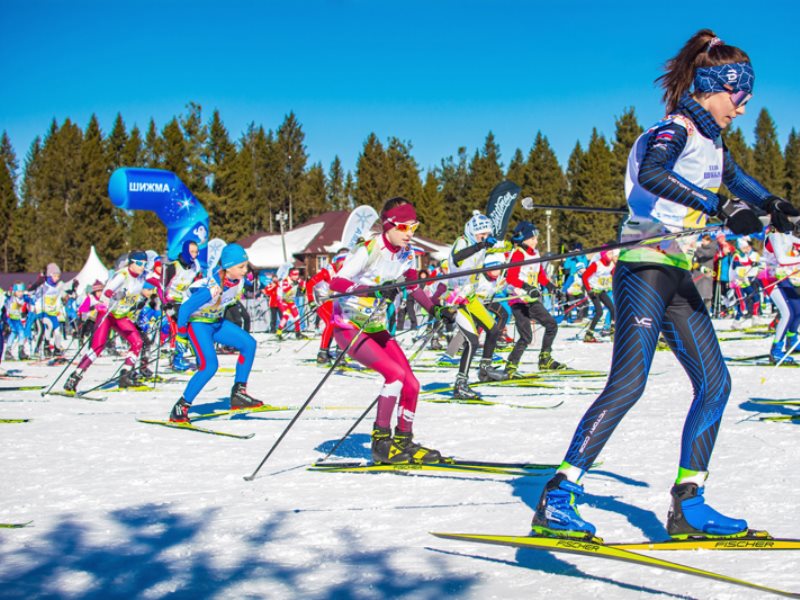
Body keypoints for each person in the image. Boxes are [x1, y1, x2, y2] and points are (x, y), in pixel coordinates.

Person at [532, 30, 798, 542]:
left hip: (677, 268)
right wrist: (720, 207)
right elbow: (654, 174)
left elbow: (737, 181)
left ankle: (688, 505)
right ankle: (558, 495)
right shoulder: (673, 129)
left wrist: (774, 206)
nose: (741, 110)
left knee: (717, 383)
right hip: (644, 265)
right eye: (740, 98)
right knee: (629, 383)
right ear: (717, 87)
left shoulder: (711, 139)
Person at [329, 197, 455, 464]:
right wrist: (370, 290)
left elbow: (412, 286)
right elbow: (336, 281)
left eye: (414, 226)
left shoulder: (407, 253)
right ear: (389, 226)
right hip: (350, 326)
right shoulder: (369, 249)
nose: (410, 233)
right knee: (395, 376)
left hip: (375, 327)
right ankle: (380, 442)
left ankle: (403, 441)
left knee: (412, 384)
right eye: (404, 227)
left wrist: (435, 310)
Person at [169, 244, 263, 422]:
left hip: (216, 322)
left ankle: (238, 394)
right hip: (198, 325)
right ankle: (181, 407)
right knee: (209, 366)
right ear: (228, 267)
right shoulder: (213, 286)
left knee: (249, 344)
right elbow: (185, 308)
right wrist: (181, 335)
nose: (245, 270)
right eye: (241, 267)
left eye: (246, 265)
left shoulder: (237, 281)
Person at [64, 251, 154, 392]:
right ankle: (75, 377)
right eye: (139, 263)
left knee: (138, 342)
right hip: (107, 313)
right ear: (131, 263)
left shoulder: (143, 275)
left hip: (121, 316)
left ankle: (125, 375)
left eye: (144, 263)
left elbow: (159, 279)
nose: (142, 266)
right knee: (97, 347)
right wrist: (114, 294)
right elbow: (108, 290)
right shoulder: (122, 275)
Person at [445, 211, 501, 398]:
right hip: (457, 299)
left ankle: (485, 368)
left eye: (486, 235)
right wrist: (481, 244)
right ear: (471, 232)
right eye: (480, 235)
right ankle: (461, 384)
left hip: (471, 297)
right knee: (472, 341)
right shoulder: (463, 242)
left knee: (494, 329)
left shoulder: (481, 245)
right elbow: (458, 257)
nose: (483, 238)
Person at [503, 221, 566, 375]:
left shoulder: (535, 254)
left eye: (536, 238)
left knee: (551, 325)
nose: (536, 241)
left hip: (531, 300)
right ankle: (511, 366)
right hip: (518, 300)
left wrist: (552, 288)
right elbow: (511, 278)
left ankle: (545, 358)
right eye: (533, 238)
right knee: (526, 336)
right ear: (524, 239)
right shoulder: (518, 253)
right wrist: (527, 288)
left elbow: (540, 277)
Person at [761, 228, 800, 363]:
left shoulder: (786, 234)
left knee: (798, 308)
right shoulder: (774, 235)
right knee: (787, 313)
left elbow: (797, 242)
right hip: (768, 277)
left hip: (780, 276)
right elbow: (782, 259)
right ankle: (776, 351)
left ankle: (792, 340)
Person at [306, 248, 348, 363]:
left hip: (338, 303)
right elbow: (310, 284)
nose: (344, 265)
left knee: (344, 324)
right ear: (337, 261)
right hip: (323, 301)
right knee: (331, 322)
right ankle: (322, 353)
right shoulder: (327, 271)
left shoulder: (349, 271)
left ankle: (340, 353)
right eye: (342, 262)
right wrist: (311, 301)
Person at [581, 250, 617, 342]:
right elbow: (584, 276)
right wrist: (589, 290)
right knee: (599, 312)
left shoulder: (611, 265)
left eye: (612, 253)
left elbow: (615, 275)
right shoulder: (596, 264)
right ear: (604, 255)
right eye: (609, 253)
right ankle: (589, 335)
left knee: (613, 309)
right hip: (593, 290)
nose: (611, 255)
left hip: (601, 290)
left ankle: (613, 331)